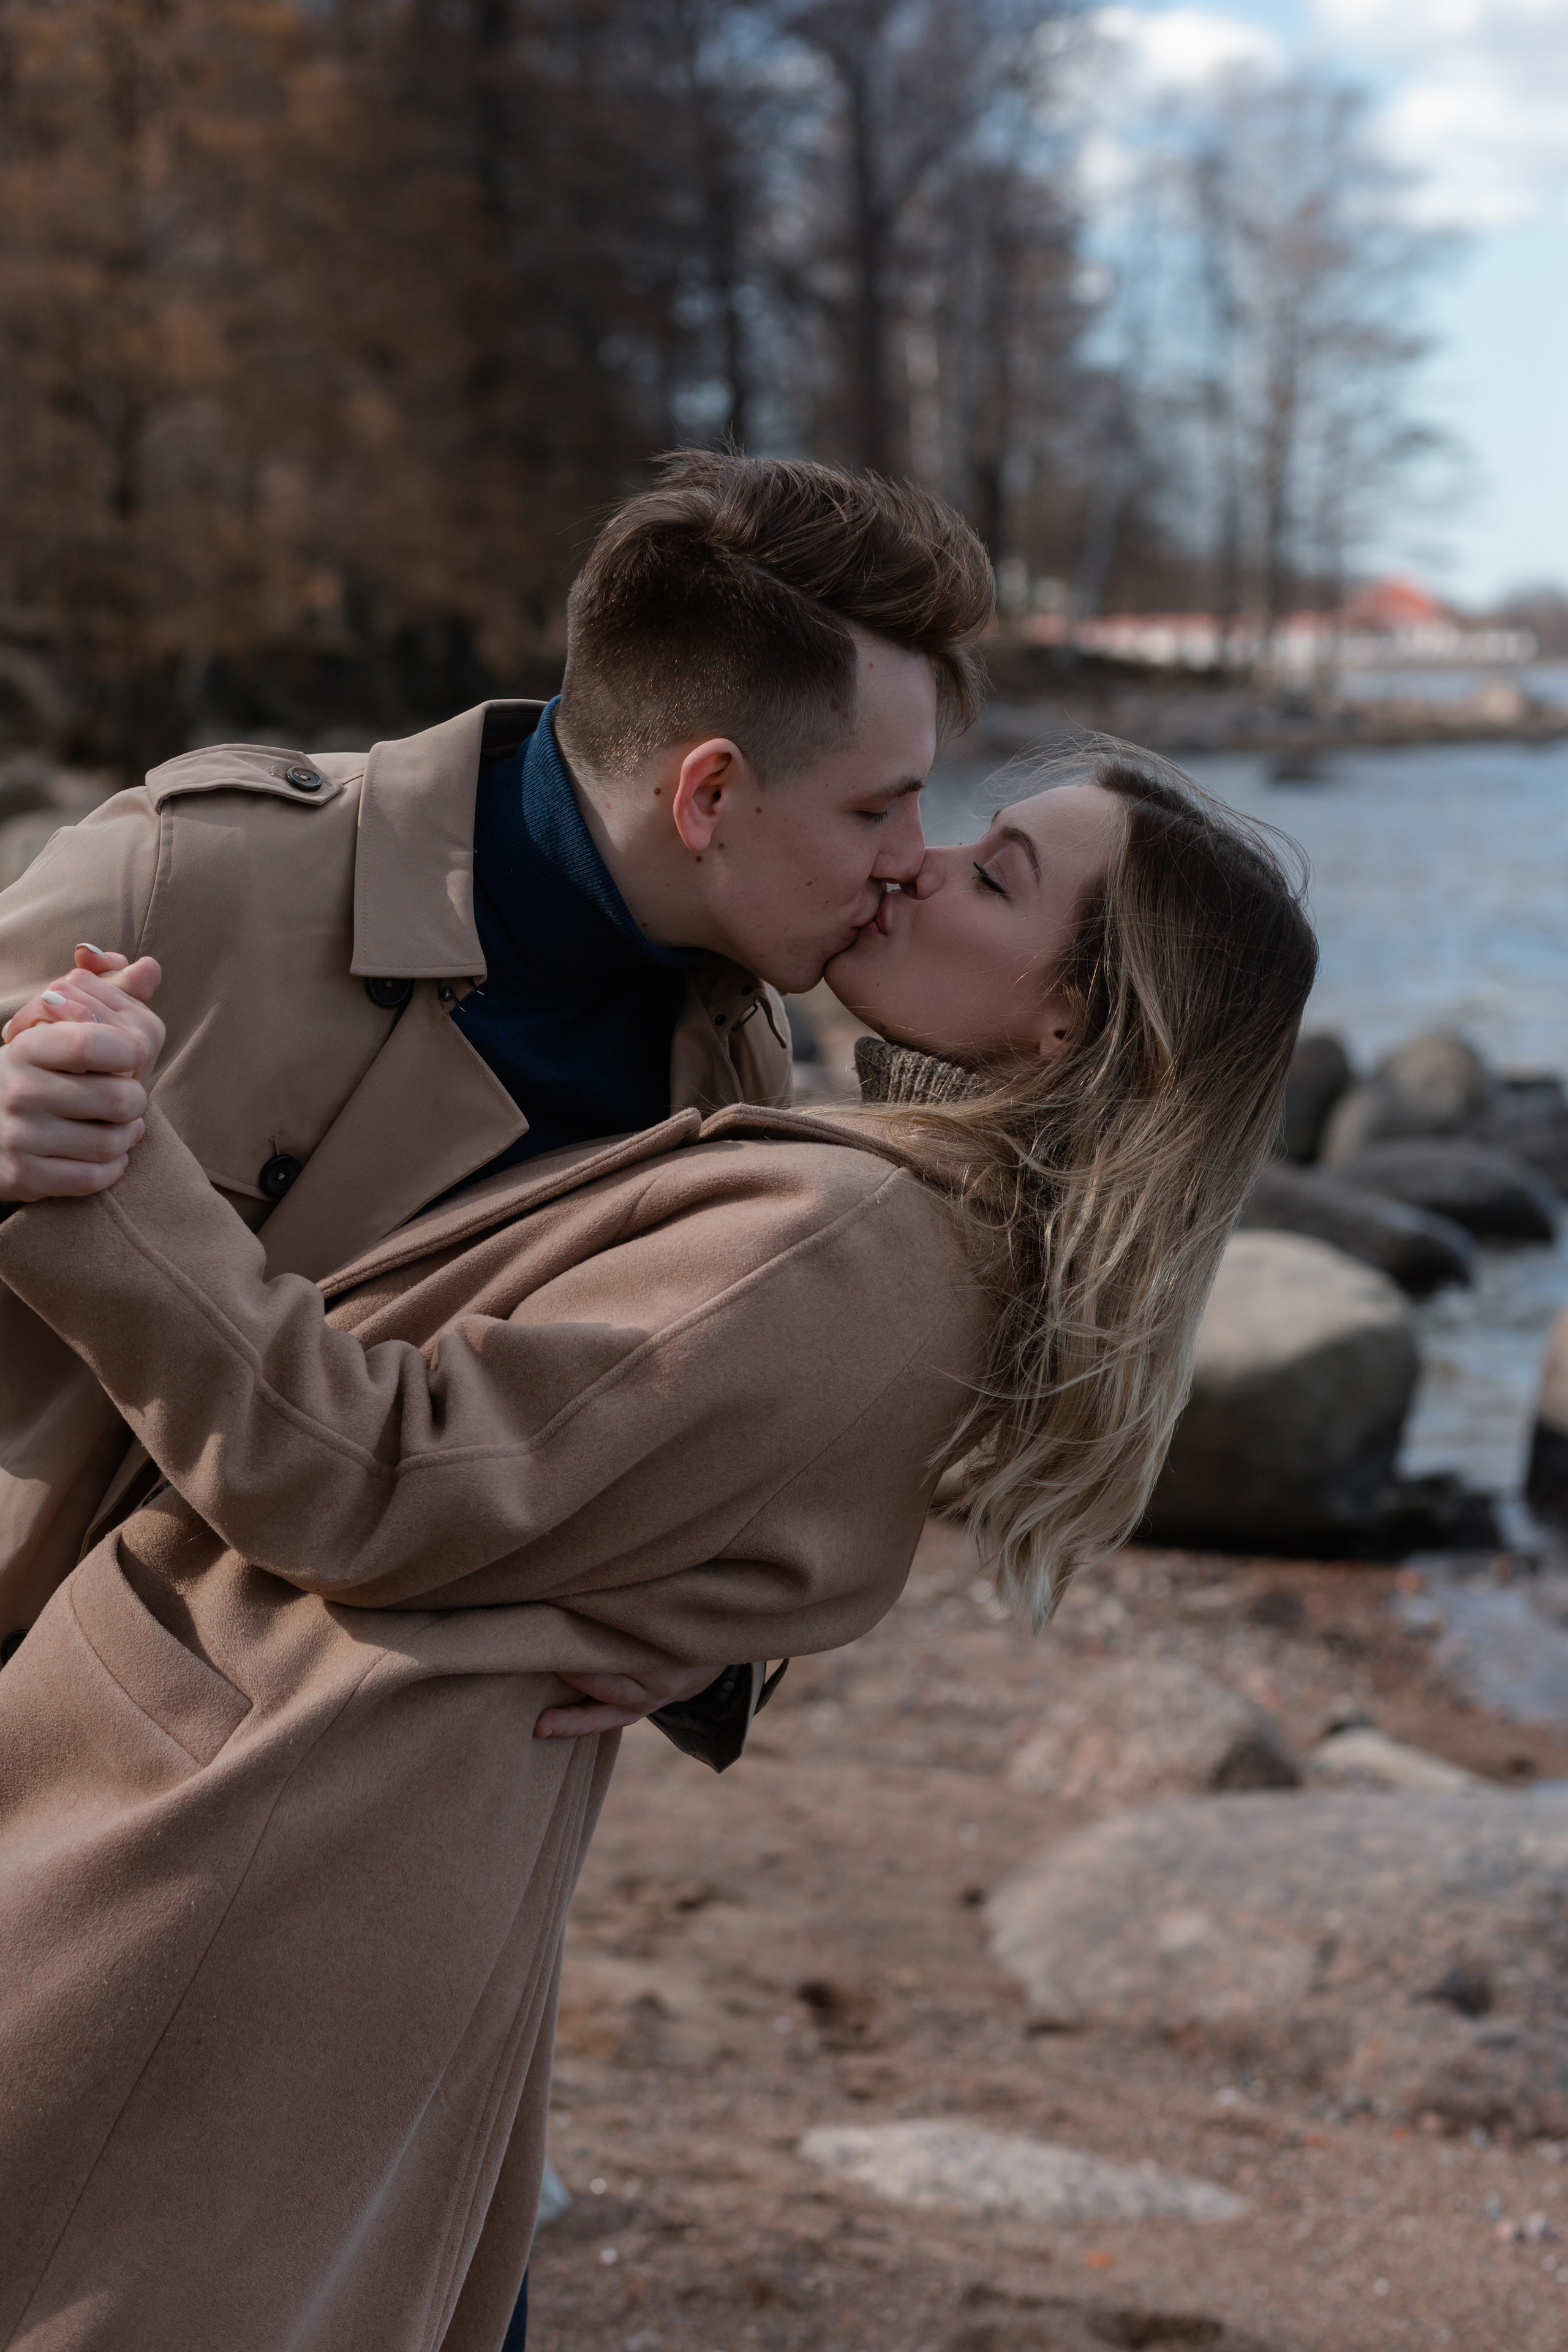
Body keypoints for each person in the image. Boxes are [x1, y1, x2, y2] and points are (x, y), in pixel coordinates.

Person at [0, 743, 1315, 2351]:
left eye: (995, 874)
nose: (916, 861)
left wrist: (96, 1167)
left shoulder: (861, 1234)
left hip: (260, 1828)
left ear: (1073, 1021)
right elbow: (627, 1471)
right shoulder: (884, 1191)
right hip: (342, 1828)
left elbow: (373, 1475)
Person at [0, 452, 993, 1766]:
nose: (911, 857)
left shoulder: (736, 1070)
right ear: (705, 796)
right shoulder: (199, 872)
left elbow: (543, 1466)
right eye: (878, 805)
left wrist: (685, 1623)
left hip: (274, 1823)